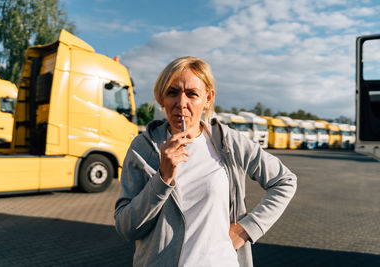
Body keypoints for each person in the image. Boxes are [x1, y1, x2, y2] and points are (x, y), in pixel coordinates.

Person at [114, 56, 297, 267]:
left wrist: (248, 228)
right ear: (162, 97)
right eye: (172, 92)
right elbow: (126, 228)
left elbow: (285, 181)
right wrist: (162, 178)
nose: (181, 103)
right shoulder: (143, 148)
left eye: (192, 94)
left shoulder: (230, 143)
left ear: (208, 99)